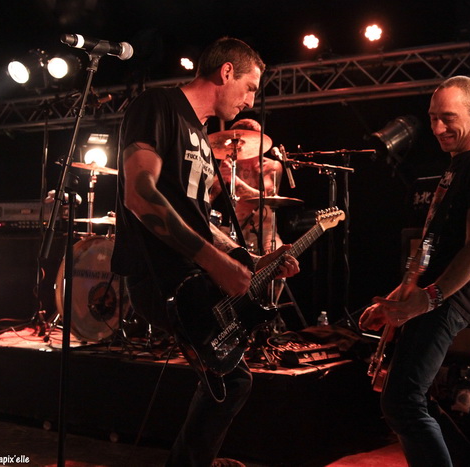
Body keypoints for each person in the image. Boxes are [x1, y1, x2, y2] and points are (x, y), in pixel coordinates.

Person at [111, 37, 299, 467]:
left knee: (230, 380)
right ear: (226, 72)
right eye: (250, 87)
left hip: (190, 273)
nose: (250, 101)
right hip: (160, 277)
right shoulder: (157, 106)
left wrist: (251, 260)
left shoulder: (199, 135)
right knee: (232, 381)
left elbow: (200, 222)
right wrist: (215, 263)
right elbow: (139, 196)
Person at [359, 76, 470, 466]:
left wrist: (429, 298)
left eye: (448, 117)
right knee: (413, 400)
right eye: (433, 118)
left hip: (446, 300)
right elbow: (432, 243)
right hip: (433, 298)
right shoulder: (458, 166)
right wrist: (400, 295)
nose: (437, 128)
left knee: (401, 402)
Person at [210, 118, 284, 255]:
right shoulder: (230, 163)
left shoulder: (271, 166)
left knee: (277, 258)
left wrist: (235, 181)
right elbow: (210, 196)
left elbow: (265, 197)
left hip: (264, 231)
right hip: (235, 229)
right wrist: (219, 176)